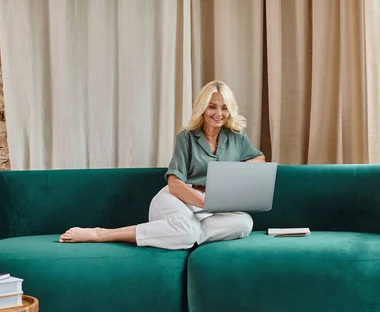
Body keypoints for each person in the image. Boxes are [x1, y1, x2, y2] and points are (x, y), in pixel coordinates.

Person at [60, 80, 265, 249]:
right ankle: (103, 234)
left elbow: (259, 158)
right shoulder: (187, 138)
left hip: (213, 210)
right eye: (212, 106)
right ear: (202, 108)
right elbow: (175, 185)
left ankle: (186, 235)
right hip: (179, 199)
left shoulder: (237, 137)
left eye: (224, 108)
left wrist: (235, 175)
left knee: (245, 223)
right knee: (188, 228)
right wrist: (207, 202)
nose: (218, 113)